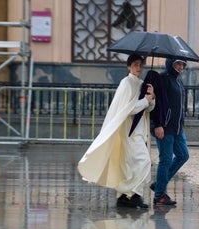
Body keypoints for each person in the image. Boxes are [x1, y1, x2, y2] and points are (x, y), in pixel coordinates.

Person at [78, 54, 155, 209]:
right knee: (143, 161)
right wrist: (145, 101)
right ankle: (133, 193)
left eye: (141, 65)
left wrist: (151, 98)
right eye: (135, 65)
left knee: (130, 164)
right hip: (128, 131)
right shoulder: (126, 84)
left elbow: (148, 108)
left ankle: (124, 197)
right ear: (128, 66)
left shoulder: (141, 84)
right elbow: (129, 108)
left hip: (138, 130)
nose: (138, 68)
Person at [150, 59, 190, 205]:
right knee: (166, 160)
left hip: (177, 128)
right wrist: (157, 124)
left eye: (183, 65)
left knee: (183, 155)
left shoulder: (178, 80)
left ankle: (159, 184)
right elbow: (156, 104)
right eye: (177, 64)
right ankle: (159, 195)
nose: (180, 67)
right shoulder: (163, 79)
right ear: (170, 64)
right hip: (164, 127)